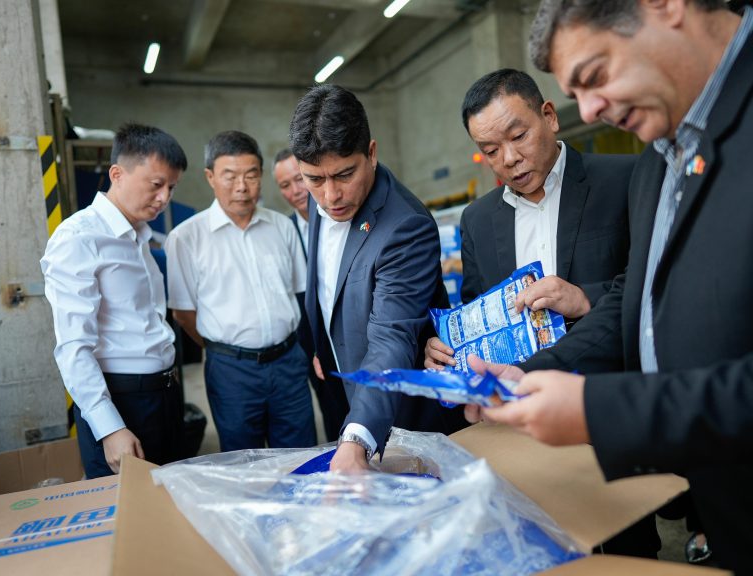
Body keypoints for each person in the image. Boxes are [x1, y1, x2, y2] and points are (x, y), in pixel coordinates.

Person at [467, 1, 753, 572]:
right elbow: (633, 297)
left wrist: (599, 408)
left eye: (595, 75)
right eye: (578, 93)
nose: (592, 109)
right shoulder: (658, 163)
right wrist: (534, 372)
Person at [425, 69, 634, 372]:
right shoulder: (477, 221)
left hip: (612, 384)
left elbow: (658, 283)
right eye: (491, 151)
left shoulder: (624, 180)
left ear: (549, 116)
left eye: (519, 136)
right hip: (521, 393)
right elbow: (478, 318)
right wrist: (448, 348)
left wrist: (584, 298)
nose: (509, 158)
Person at [290, 84, 452, 472]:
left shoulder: (405, 226)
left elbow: (391, 337)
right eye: (314, 180)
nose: (330, 196)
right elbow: (327, 287)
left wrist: (358, 436)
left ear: (372, 153)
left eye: (344, 175)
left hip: (401, 413)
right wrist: (323, 345)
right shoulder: (321, 196)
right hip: (340, 381)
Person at [41, 123, 186, 478]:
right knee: (126, 508)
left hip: (163, 395)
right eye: (156, 184)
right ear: (117, 174)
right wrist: (109, 427)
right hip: (122, 403)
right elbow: (73, 347)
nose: (164, 198)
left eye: (171, 187)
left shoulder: (139, 235)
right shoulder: (79, 238)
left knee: (169, 500)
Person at [165, 131, 316, 452]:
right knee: (244, 461)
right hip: (231, 372)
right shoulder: (186, 238)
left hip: (289, 363)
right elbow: (183, 313)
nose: (242, 187)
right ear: (210, 177)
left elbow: (299, 293)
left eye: (251, 175)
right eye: (230, 176)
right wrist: (227, 349)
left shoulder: (282, 227)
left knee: (300, 456)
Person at [273, 148, 349, 442]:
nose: (295, 191)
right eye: (285, 185)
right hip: (311, 344)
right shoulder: (283, 231)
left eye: (299, 179)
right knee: (333, 413)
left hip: (352, 332)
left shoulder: (341, 213)